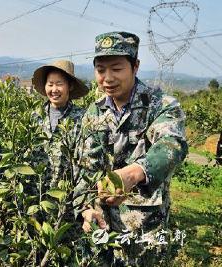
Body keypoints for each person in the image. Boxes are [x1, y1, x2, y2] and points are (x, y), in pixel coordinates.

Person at [75, 32, 188, 266]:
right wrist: (85, 207)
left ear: (135, 66)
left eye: (116, 69)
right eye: (100, 70)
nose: (107, 78)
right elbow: (86, 167)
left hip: (144, 224)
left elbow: (172, 144)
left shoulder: (160, 105)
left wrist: (135, 171)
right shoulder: (94, 113)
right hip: (102, 223)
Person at [32, 59, 89, 189]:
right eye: (50, 84)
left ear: (70, 86)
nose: (54, 89)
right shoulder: (35, 117)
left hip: (66, 198)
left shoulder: (82, 118)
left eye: (59, 84)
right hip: (37, 196)